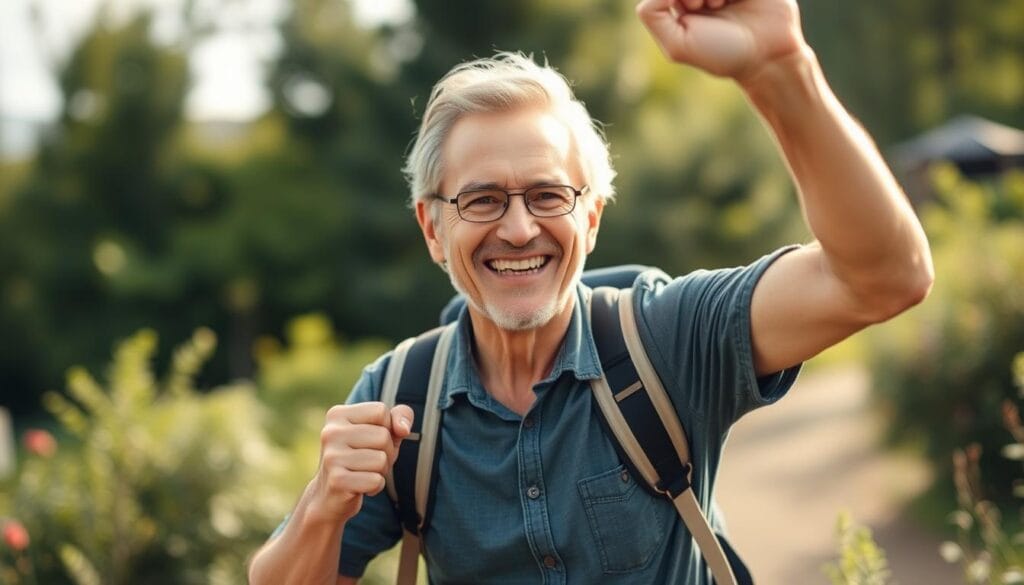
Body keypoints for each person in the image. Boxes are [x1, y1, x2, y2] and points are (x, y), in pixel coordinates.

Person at [248, 0, 934, 582]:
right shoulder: (400, 398)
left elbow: (883, 276)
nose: (519, 229)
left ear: (592, 216)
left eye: (549, 194)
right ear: (433, 226)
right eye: (482, 199)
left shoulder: (666, 338)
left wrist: (780, 69)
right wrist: (323, 505)